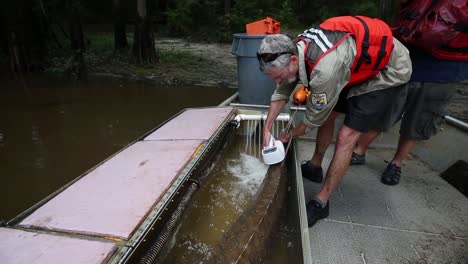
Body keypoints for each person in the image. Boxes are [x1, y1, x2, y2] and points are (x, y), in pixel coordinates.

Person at [257, 15, 412, 227]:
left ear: (293, 60)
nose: (277, 81)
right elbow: (282, 90)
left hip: (387, 71)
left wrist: (286, 136)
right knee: (329, 113)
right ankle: (314, 165)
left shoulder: (324, 71)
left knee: (346, 135)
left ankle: (322, 202)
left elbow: (312, 120)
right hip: (352, 64)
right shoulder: (292, 50)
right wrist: (267, 129)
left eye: (278, 76)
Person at [351, 32, 468, 186]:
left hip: (445, 70)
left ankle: (396, 164)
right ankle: (359, 151)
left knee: (421, 120)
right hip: (407, 59)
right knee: (384, 109)